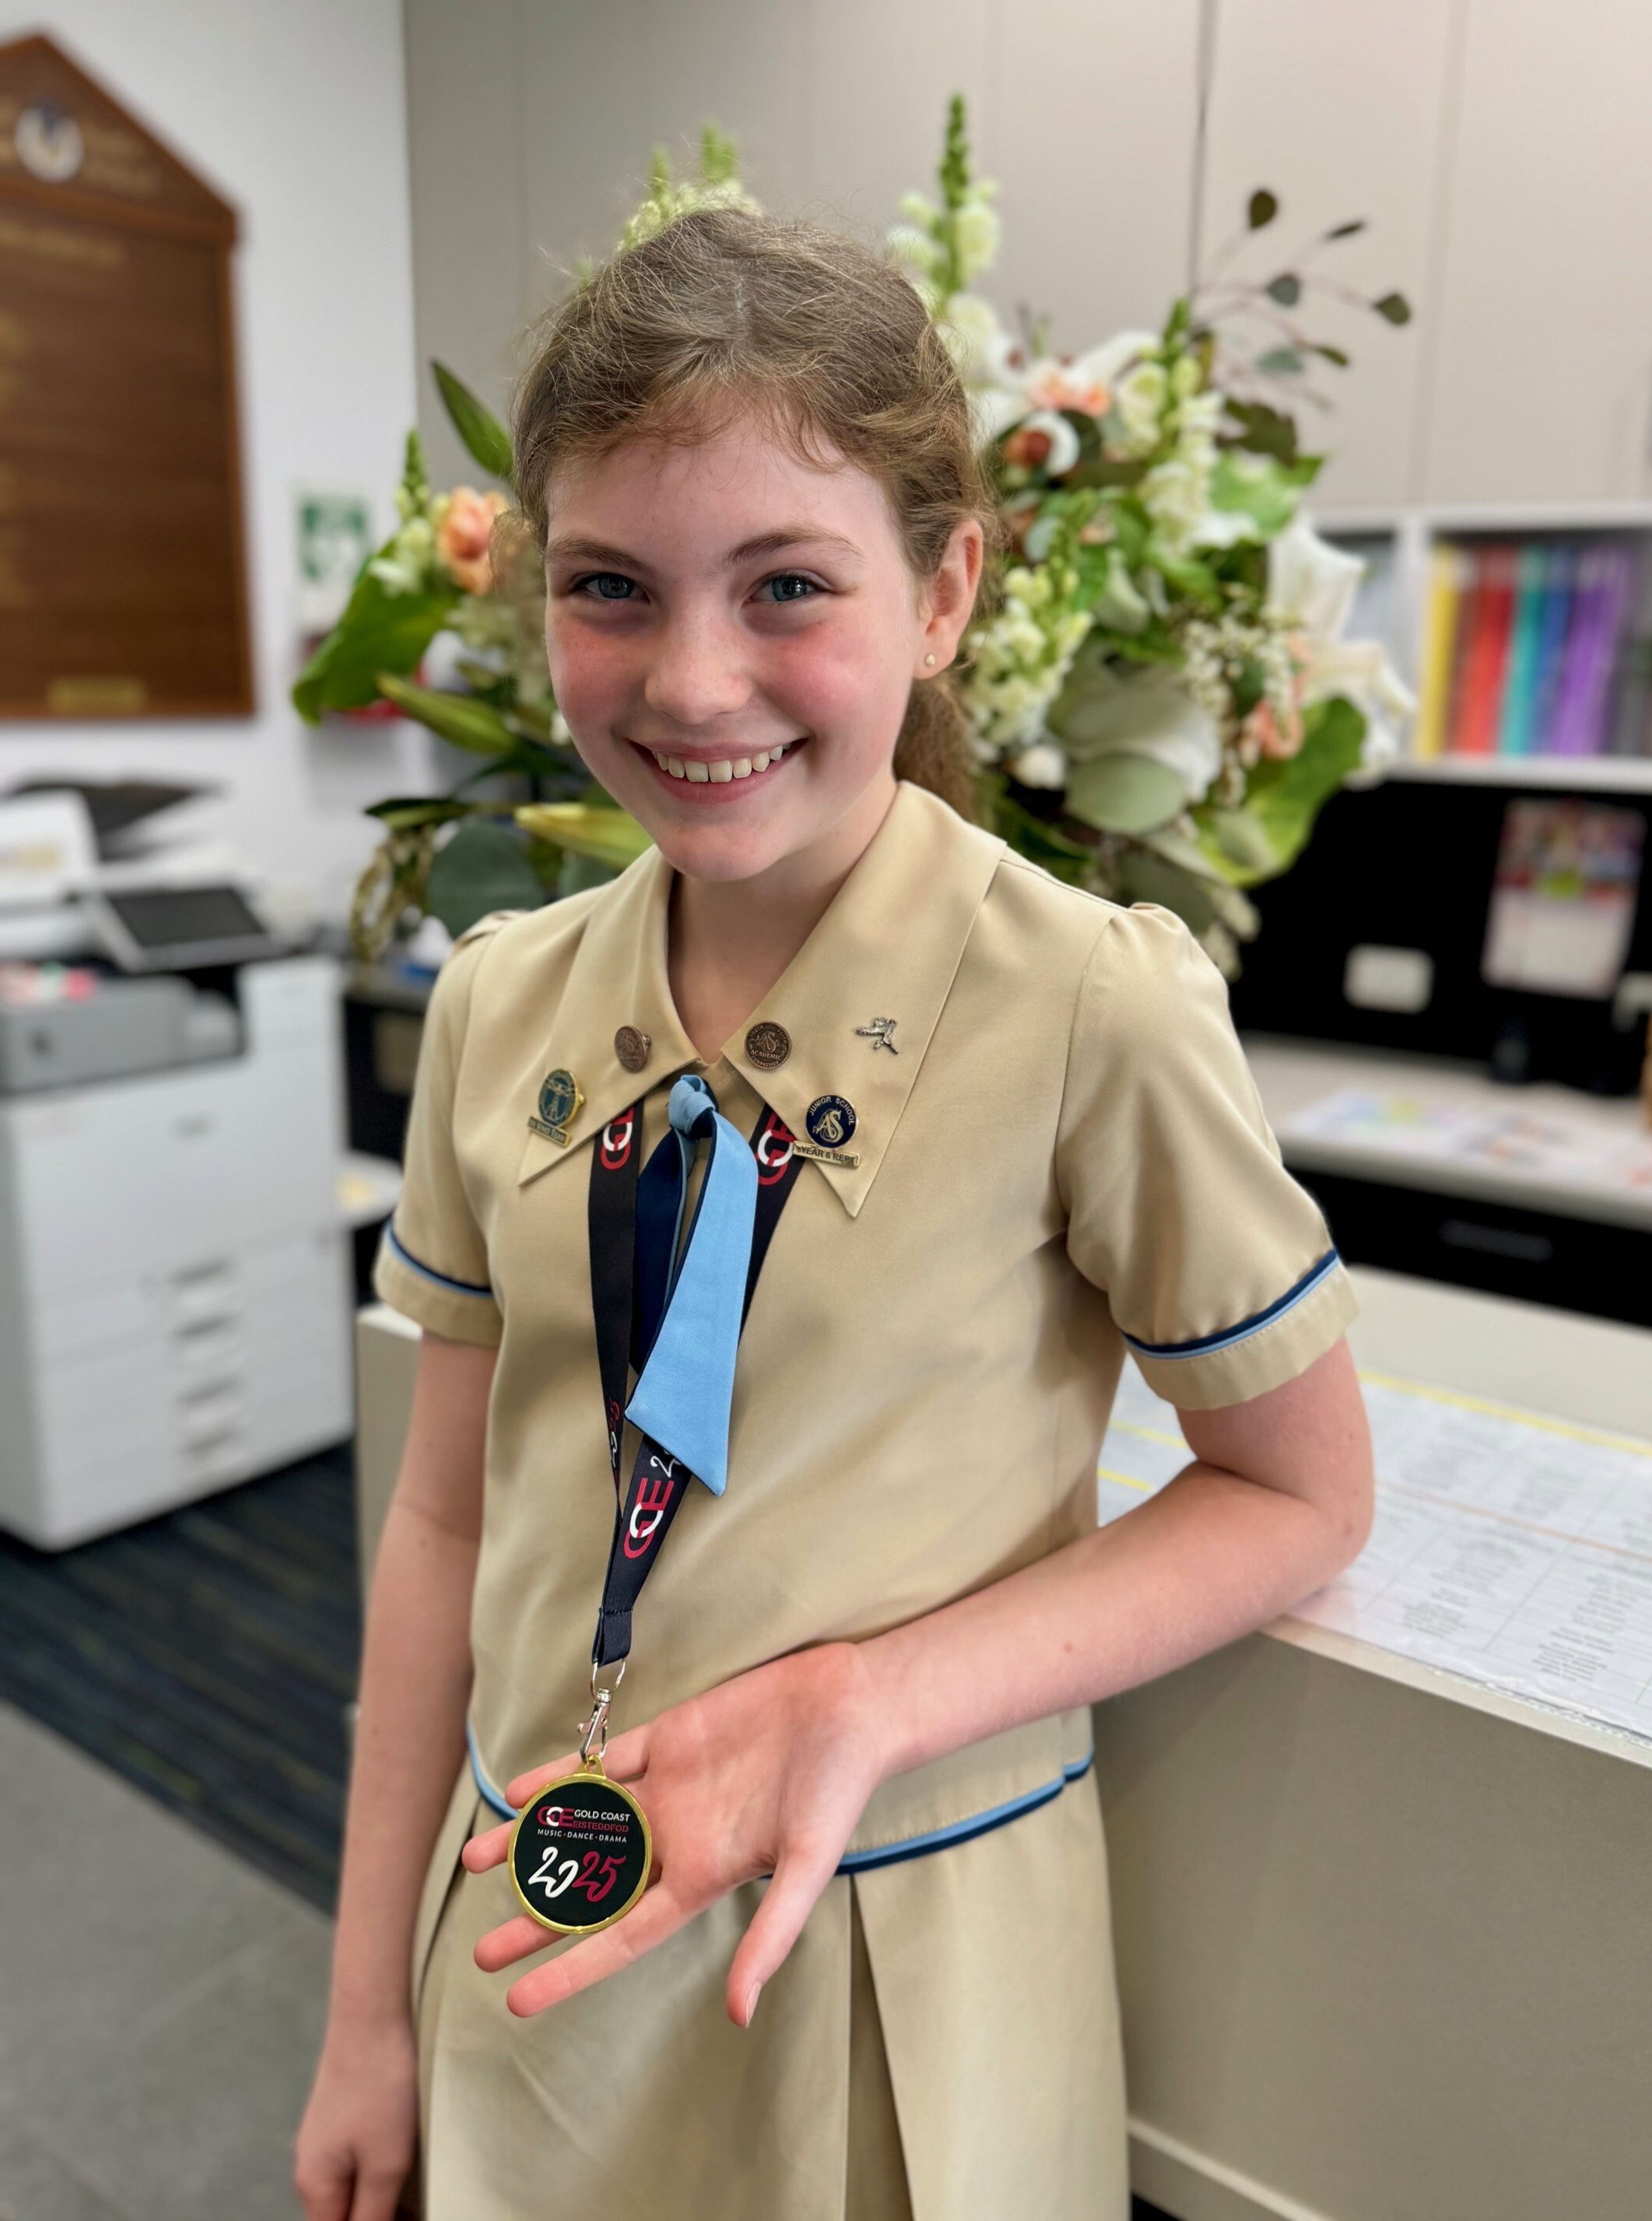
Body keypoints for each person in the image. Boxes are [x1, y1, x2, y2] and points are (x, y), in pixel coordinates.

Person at [295, 207, 1373, 2221]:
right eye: (610, 588)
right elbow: (442, 1522)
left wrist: (867, 1700)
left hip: (886, 1961)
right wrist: (365, 2009)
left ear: (945, 591)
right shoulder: (498, 1006)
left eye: (786, 584)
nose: (692, 681)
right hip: (526, 1934)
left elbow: (1298, 1494)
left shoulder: (1091, 1006)